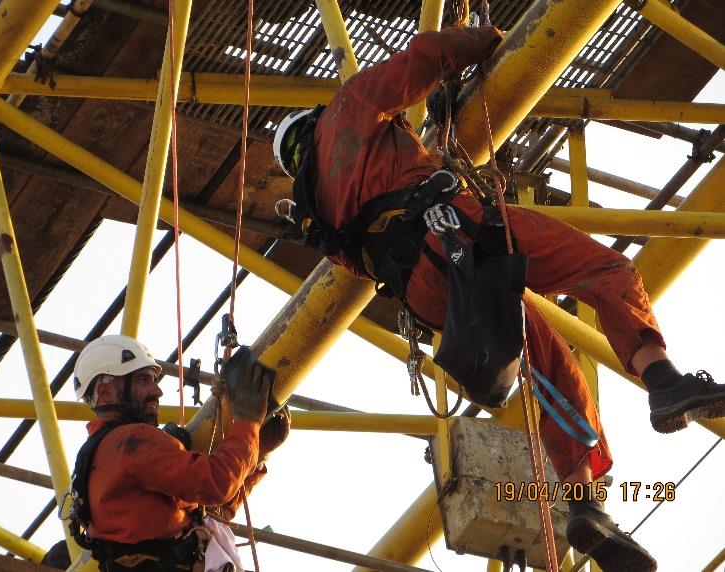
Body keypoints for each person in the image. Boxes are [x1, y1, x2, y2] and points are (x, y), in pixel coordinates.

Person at [272, 23, 725, 571]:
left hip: (431, 297)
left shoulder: (319, 219)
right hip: (458, 233)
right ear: (311, 122)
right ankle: (662, 380)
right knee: (601, 268)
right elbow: (422, 60)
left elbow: (374, 221)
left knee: (551, 369)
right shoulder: (345, 111)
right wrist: (485, 39)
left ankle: (586, 505)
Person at [68, 335, 290, 572]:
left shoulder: (105, 458)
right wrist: (247, 422)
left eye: (154, 380)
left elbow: (213, 510)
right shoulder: (131, 441)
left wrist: (258, 452)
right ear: (105, 391)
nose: (157, 391)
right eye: (144, 380)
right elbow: (217, 483)